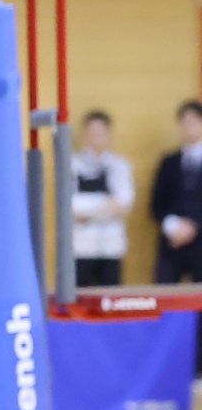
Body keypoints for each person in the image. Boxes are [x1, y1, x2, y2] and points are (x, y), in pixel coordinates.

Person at [70, 111, 134, 290]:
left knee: (111, 297)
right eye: (92, 133)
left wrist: (87, 211)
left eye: (101, 133)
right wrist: (106, 203)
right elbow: (71, 206)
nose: (96, 138)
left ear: (108, 134)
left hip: (111, 246)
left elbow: (124, 203)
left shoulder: (119, 165)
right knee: (80, 297)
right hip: (81, 246)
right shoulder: (72, 164)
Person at [146, 98, 202, 285]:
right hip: (172, 241)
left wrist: (194, 227)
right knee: (164, 292)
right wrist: (172, 225)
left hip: (199, 241)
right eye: (184, 121)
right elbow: (156, 204)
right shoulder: (169, 162)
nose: (189, 126)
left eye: (194, 120)